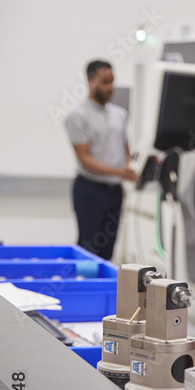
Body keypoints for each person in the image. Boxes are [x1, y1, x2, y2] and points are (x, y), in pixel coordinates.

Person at [65, 60, 137, 260]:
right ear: (91, 81)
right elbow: (85, 160)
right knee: (88, 250)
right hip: (90, 191)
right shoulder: (78, 117)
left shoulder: (120, 115)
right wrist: (119, 172)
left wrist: (136, 167)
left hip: (115, 193)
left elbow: (126, 153)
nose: (110, 87)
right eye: (105, 82)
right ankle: (82, 291)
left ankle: (103, 291)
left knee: (107, 250)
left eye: (112, 81)